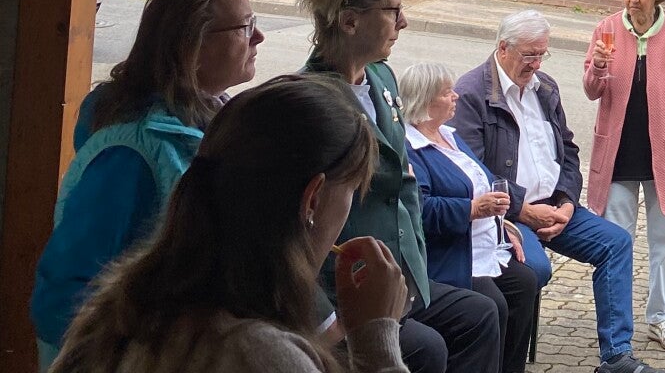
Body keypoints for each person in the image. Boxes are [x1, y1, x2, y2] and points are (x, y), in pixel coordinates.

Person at [51, 73, 410, 373]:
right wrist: (377, 343)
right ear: (312, 199)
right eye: (351, 192)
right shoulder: (259, 354)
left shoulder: (115, 311)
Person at [33, 0, 264, 360]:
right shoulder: (129, 156)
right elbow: (63, 297)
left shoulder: (212, 124)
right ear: (192, 48)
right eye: (246, 27)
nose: (259, 37)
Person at [300, 0, 501, 373]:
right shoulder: (312, 100)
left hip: (398, 275)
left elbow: (403, 179)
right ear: (350, 22)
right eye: (393, 12)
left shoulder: (381, 76)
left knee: (479, 315)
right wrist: (324, 317)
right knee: (428, 350)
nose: (404, 22)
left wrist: (414, 271)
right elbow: (293, 223)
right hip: (348, 290)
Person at [453, 10, 649, 373]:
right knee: (535, 269)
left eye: (542, 54)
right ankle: (504, 358)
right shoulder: (472, 94)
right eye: (529, 55)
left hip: (555, 207)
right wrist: (524, 211)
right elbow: (472, 171)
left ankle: (616, 356)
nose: (536, 64)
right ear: (503, 48)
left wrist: (567, 202)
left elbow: (569, 151)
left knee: (616, 243)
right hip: (509, 214)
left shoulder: (545, 87)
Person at [582, 0, 665, 357]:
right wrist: (598, 68)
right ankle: (617, 325)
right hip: (618, 153)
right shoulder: (606, 29)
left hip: (664, 155)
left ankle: (660, 318)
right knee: (617, 241)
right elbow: (591, 91)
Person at [400, 63, 542, 373]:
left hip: (483, 246)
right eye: (446, 92)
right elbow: (421, 209)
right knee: (492, 305)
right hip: (450, 254)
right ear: (424, 101)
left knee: (525, 283)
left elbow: (483, 181)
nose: (456, 96)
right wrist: (473, 210)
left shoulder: (449, 135)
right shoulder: (411, 149)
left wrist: (502, 222)